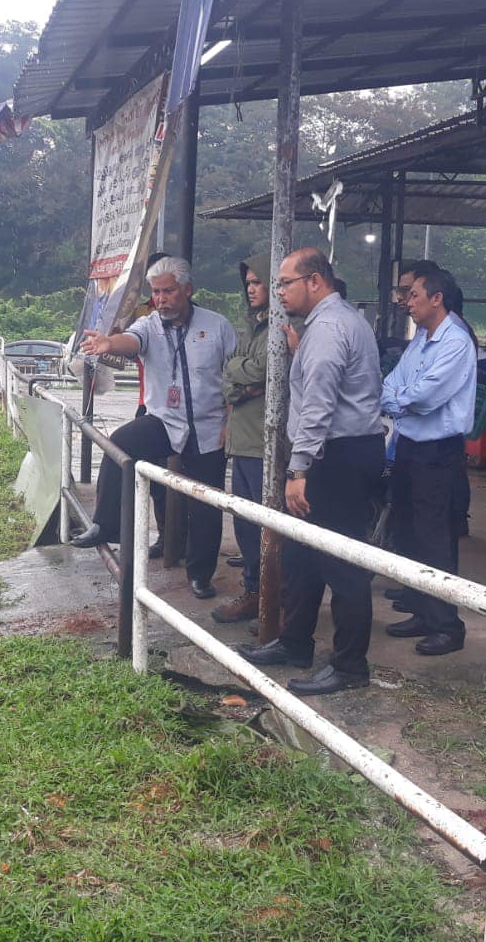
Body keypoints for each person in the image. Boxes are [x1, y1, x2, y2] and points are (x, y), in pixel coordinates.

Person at [238, 247, 384, 695]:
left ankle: (349, 666)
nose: (278, 292)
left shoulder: (330, 328)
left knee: (341, 560)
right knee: (302, 555)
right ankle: (295, 641)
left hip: (337, 456)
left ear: (315, 281)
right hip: (336, 451)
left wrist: (298, 467)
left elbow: (319, 405)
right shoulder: (326, 326)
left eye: (285, 282)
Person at [70, 256, 237, 600]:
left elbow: (233, 379)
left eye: (168, 291)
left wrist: (230, 424)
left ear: (187, 290)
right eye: (156, 292)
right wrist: (109, 343)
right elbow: (131, 341)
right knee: (121, 444)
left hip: (209, 427)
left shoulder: (218, 327)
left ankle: (200, 576)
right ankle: (106, 524)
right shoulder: (149, 325)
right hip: (165, 420)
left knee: (206, 504)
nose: (161, 299)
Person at [380, 265, 476, 657]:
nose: (407, 302)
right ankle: (421, 608)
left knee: (435, 536)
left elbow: (425, 396)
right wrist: (399, 399)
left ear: (437, 298)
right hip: (409, 444)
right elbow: (392, 381)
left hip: (438, 452)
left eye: (414, 295)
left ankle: (447, 626)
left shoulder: (456, 341)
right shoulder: (421, 338)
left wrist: (399, 401)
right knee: (407, 529)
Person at [211, 253, 270, 624]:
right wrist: (241, 382)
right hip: (242, 441)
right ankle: (253, 592)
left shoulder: (284, 327)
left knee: (266, 530)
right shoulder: (251, 326)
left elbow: (264, 370)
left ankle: (268, 596)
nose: (251, 289)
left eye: (257, 282)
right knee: (245, 528)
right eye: (247, 283)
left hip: (265, 444)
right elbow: (230, 374)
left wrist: (242, 377)